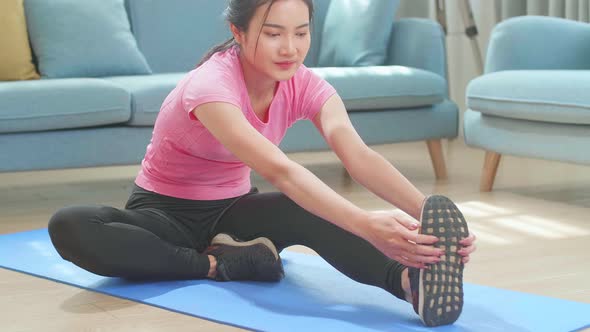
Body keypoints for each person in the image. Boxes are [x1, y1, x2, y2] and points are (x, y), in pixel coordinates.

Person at [48, 0, 477, 327]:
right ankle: (218, 264)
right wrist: (366, 225)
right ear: (238, 30)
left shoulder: (307, 85)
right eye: (273, 34)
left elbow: (358, 154)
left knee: (304, 208)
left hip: (234, 214)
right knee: (69, 225)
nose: (290, 48)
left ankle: (408, 284)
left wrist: (428, 216)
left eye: (301, 32)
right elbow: (281, 170)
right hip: (163, 214)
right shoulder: (211, 86)